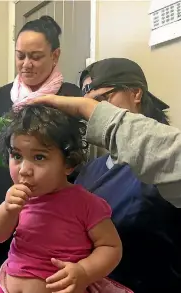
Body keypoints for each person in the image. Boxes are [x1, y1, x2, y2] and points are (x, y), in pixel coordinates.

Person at [29, 58, 181, 292]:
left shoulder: (164, 166)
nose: (92, 114)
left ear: (136, 94)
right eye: (87, 106)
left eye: (101, 101)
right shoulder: (91, 170)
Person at [0, 15, 82, 267]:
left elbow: (80, 152)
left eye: (35, 56)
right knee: (11, 269)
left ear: (55, 56)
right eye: (20, 55)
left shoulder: (73, 98)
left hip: (60, 208)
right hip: (7, 201)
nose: (26, 64)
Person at [0, 104, 132, 293]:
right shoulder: (18, 199)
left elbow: (110, 246)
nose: (24, 170)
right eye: (16, 156)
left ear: (68, 163)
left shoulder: (86, 204)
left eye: (39, 157)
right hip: (4, 287)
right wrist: (7, 209)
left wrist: (84, 271)